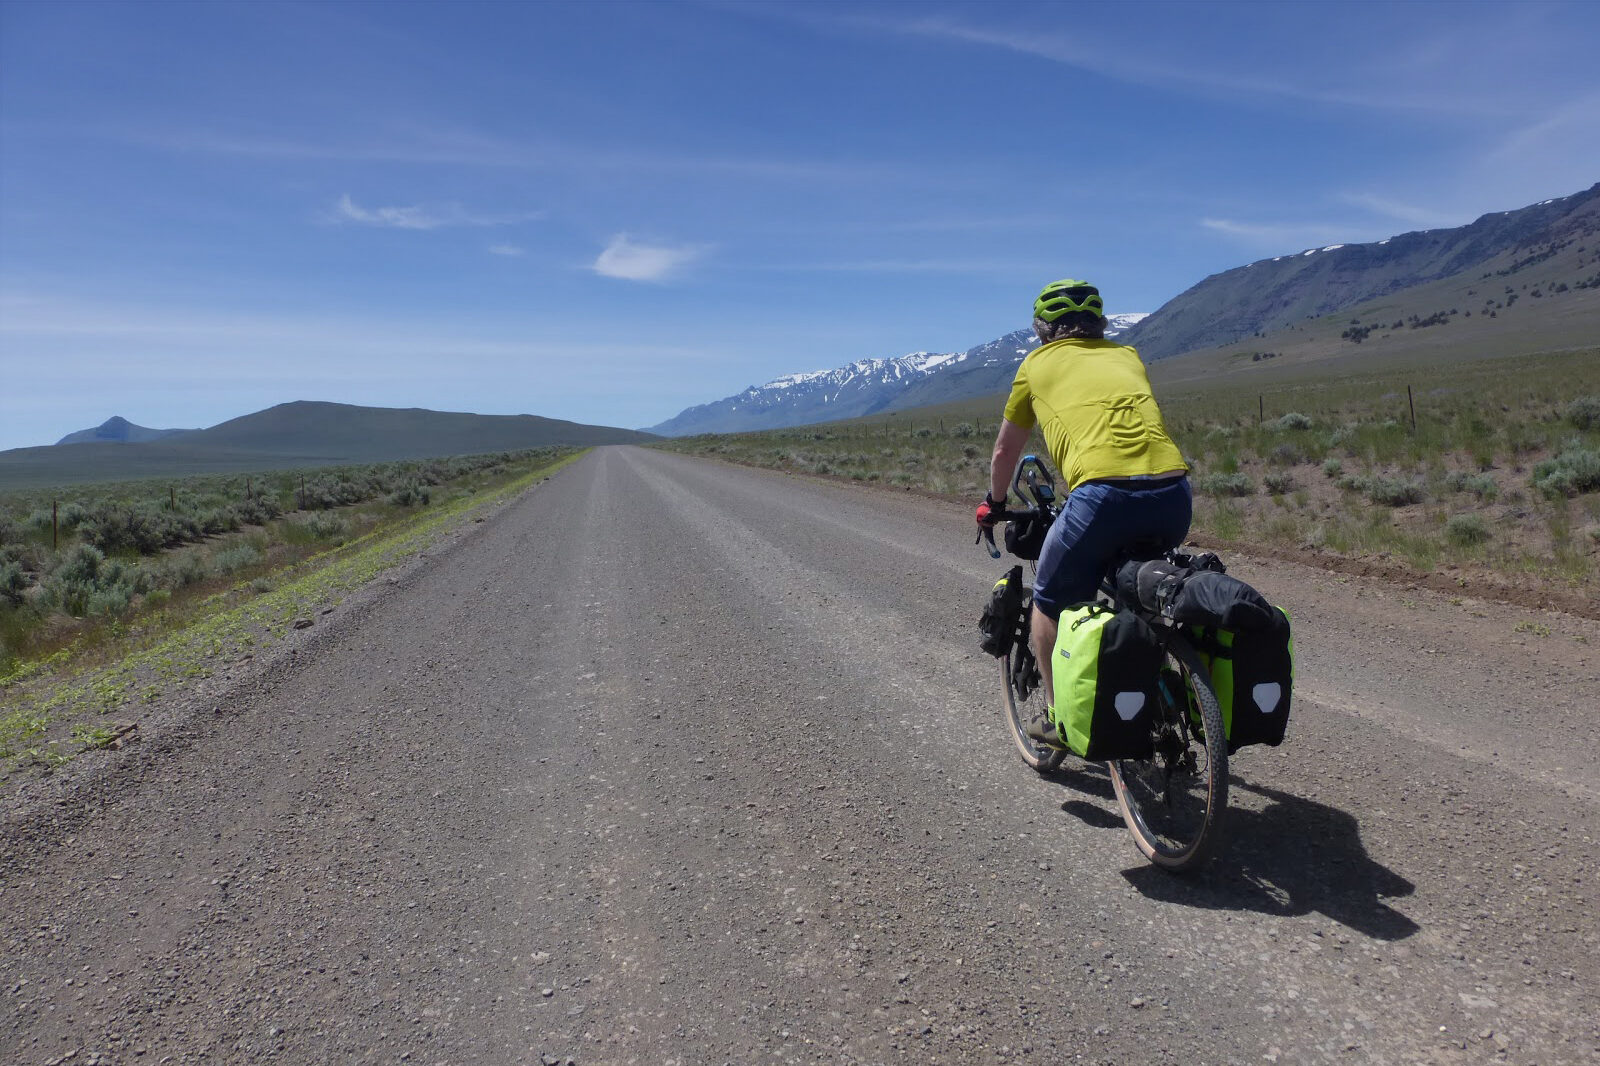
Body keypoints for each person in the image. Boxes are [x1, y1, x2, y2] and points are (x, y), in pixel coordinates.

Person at [976, 279, 1191, 744]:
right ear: (1098, 324)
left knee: (1049, 600)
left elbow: (1004, 452)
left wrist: (994, 505)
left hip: (1102, 497)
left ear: (1042, 330)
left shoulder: (1036, 364)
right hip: (1174, 493)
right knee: (1133, 582)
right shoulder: (1127, 355)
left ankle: (1058, 718)